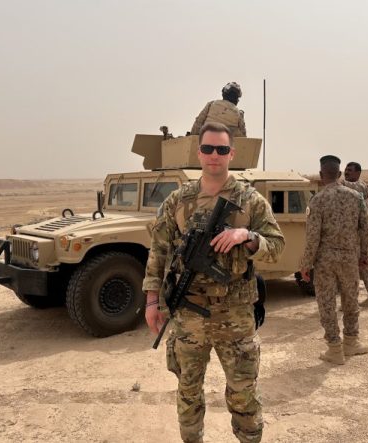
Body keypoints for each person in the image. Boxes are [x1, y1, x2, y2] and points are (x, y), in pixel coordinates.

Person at [143, 122, 284, 443]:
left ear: (232, 153)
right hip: (188, 316)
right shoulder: (178, 201)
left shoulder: (250, 201)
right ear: (199, 152)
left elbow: (276, 246)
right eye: (208, 149)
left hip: (235, 315)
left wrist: (246, 235)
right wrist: (152, 301)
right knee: (188, 392)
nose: (214, 155)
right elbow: (158, 253)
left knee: (243, 394)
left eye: (222, 149)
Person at [300, 155, 368, 365]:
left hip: (325, 261)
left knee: (327, 303)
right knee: (350, 298)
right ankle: (351, 342)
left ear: (322, 175)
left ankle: (334, 348)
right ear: (340, 175)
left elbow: (312, 237)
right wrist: (364, 255)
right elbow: (367, 226)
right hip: (350, 257)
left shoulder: (317, 200)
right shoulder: (355, 197)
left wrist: (306, 265)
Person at [342, 161, 368, 308]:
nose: (346, 172)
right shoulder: (348, 185)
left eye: (350, 170)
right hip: (356, 230)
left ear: (358, 173)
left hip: (361, 230)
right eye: (346, 169)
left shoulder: (360, 186)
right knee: (359, 264)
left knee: (361, 263)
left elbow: (347, 187)